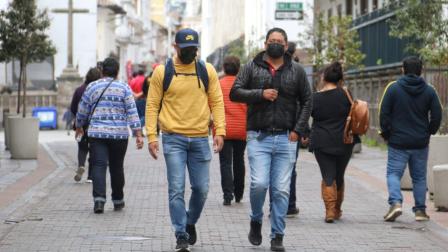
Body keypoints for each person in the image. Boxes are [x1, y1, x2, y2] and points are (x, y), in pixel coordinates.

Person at [230, 27, 312, 252]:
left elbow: (307, 100)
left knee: (282, 190)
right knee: (259, 184)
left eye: (280, 41)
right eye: (272, 40)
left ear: (286, 46)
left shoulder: (296, 70)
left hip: (287, 138)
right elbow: (234, 92)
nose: (276, 44)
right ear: (266, 44)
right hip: (258, 136)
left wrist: (298, 129)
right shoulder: (251, 66)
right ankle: (256, 220)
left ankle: (277, 235)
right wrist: (260, 93)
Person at [145, 28, 225, 252]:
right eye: (186, 49)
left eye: (194, 49)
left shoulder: (206, 70)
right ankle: (181, 234)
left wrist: (220, 131)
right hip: (173, 139)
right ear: (175, 48)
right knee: (176, 189)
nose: (191, 53)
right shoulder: (163, 72)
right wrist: (152, 136)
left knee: (201, 188)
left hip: (200, 138)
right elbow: (152, 105)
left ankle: (190, 222)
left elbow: (217, 102)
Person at [75, 57, 144, 214]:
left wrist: (79, 126)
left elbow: (82, 109)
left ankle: (99, 201)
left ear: (102, 71)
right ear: (117, 71)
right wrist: (138, 133)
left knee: (98, 165)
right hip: (119, 135)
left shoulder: (92, 87)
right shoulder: (124, 88)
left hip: (97, 134)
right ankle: (118, 200)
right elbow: (132, 111)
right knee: (116, 166)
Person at [379, 56, 442, 222]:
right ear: (420, 70)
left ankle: (396, 203)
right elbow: (437, 114)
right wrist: (429, 132)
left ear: (403, 69)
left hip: (398, 141)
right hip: (420, 142)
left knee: (393, 173)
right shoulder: (429, 90)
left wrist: (387, 134)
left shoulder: (393, 88)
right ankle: (420, 211)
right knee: (419, 177)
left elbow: (383, 114)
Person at [308, 62, 354, 223]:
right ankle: (337, 210)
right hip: (344, 141)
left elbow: (307, 116)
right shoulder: (346, 94)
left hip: (322, 141)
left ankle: (329, 211)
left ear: (323, 77)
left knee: (328, 176)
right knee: (339, 176)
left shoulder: (315, 98)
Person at [218, 56, 247, 206]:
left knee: (225, 162)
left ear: (224, 68)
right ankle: (239, 193)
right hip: (242, 128)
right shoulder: (244, 85)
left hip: (224, 129)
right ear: (238, 68)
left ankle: (227, 195)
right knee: (239, 160)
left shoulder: (219, 84)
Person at [70, 67, 101, 182]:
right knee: (94, 149)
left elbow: (73, 108)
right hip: (95, 124)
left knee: (82, 147)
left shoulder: (79, 90)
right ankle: (91, 176)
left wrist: (77, 120)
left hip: (81, 124)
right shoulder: (98, 90)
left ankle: (81, 165)